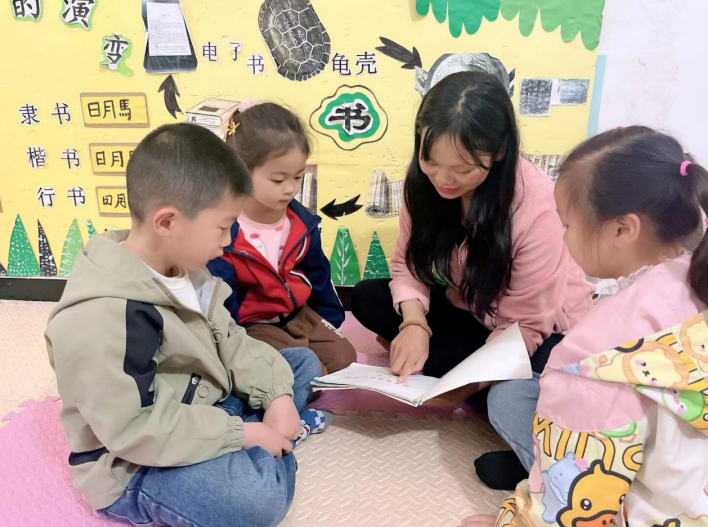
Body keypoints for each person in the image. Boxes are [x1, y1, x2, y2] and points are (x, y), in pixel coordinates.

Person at [45, 123, 330, 527]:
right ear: (167, 222)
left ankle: (265, 432)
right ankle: (268, 442)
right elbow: (133, 429)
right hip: (135, 462)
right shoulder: (100, 318)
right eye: (223, 227)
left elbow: (231, 341)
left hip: (204, 400)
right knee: (257, 502)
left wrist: (278, 397)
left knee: (302, 364)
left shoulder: (186, 268)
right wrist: (243, 434)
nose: (228, 241)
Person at [351, 71, 595, 490]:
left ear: (498, 151)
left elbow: (527, 326)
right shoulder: (423, 183)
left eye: (462, 169)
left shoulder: (535, 205)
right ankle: (493, 395)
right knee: (367, 297)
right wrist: (415, 323)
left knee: (534, 379)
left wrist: (465, 385)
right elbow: (407, 265)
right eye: (430, 162)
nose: (443, 179)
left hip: (538, 330)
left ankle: (520, 426)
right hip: (472, 312)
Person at [459, 126, 708, 527]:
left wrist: (515, 520)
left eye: (567, 225)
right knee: (513, 396)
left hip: (654, 507)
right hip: (687, 486)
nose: (562, 236)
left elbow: (578, 498)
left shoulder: (596, 351)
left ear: (623, 229)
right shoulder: (694, 275)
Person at [208, 101, 356, 376]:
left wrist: (329, 319)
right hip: (253, 326)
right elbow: (223, 298)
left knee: (345, 357)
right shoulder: (225, 232)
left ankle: (301, 366)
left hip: (299, 315)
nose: (290, 189)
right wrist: (232, 349)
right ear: (240, 172)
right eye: (278, 180)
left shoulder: (301, 223)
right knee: (307, 370)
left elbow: (319, 274)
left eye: (298, 177)